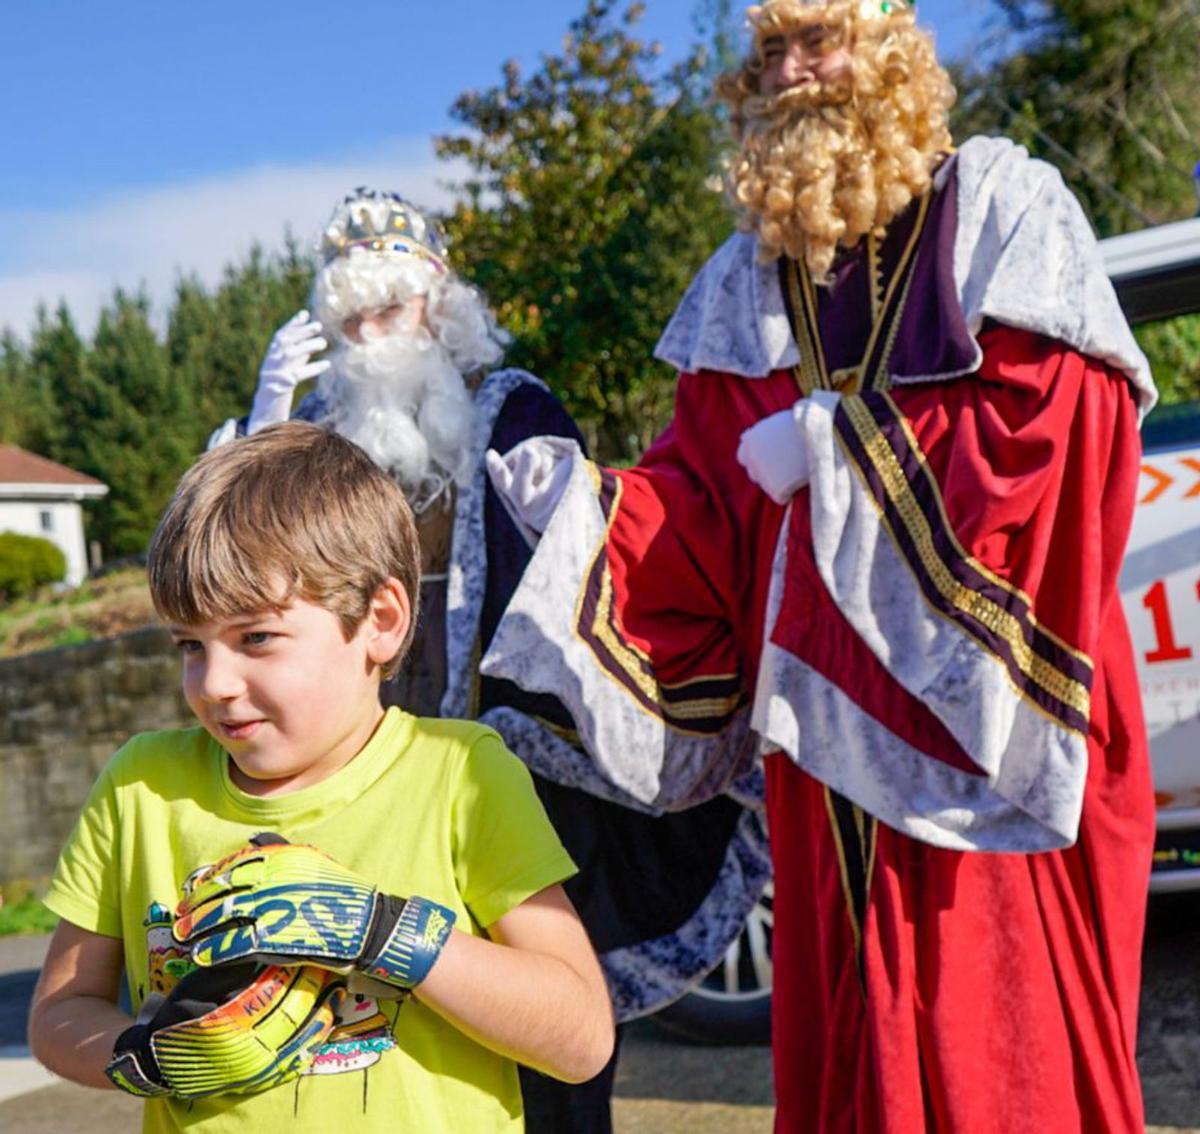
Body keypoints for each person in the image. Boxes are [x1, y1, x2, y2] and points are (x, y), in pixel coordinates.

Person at [481, 1, 1159, 1130]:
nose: (794, 75)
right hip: (826, 737)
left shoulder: (999, 203)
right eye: (770, 55)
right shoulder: (742, 282)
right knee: (851, 1019)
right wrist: (579, 514)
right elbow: (701, 500)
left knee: (996, 1016)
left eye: (819, 43)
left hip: (988, 713)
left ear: (889, 52)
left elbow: (1060, 425)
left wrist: (837, 448)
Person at [214, 188, 771, 1132]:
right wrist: (259, 443)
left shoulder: (507, 408)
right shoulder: (310, 442)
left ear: (437, 308)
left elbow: (594, 559)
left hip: (509, 779)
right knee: (381, 1042)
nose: (370, 335)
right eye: (349, 317)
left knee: (541, 1025)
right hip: (363, 781)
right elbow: (228, 573)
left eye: (388, 309)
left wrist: (565, 506)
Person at [28, 422, 615, 1133]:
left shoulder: (461, 775)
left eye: (256, 638)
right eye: (189, 644)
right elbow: (60, 1013)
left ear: (381, 621)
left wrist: (385, 933)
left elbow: (581, 1038)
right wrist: (144, 1058)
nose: (213, 683)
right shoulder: (139, 786)